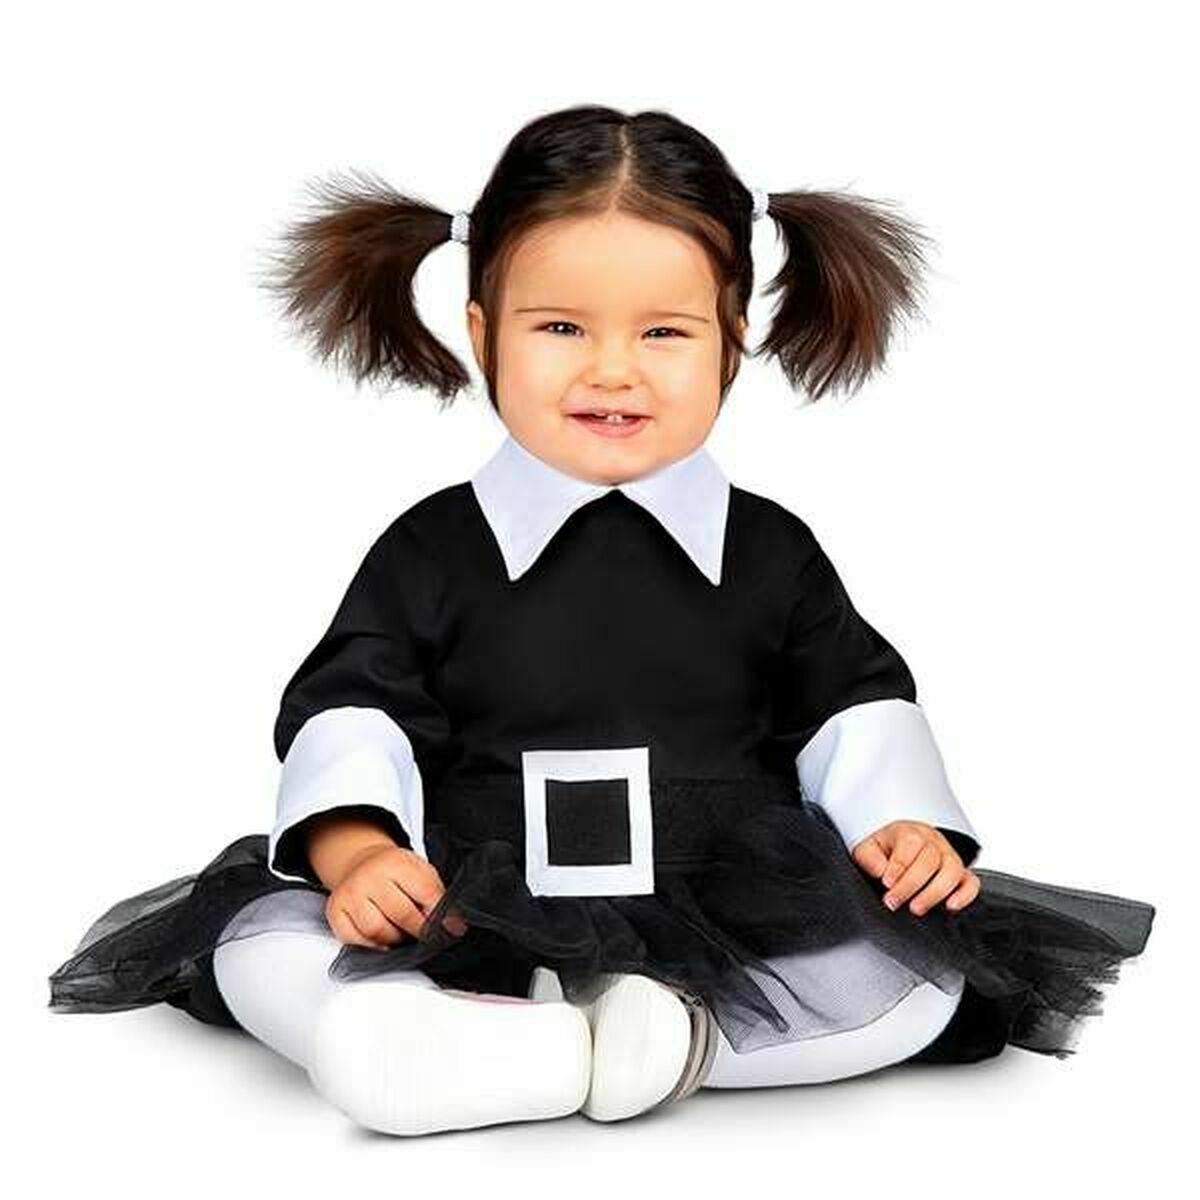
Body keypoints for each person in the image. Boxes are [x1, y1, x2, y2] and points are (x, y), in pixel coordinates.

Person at [47, 103, 1156, 1138]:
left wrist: (901, 827)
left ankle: (658, 1038)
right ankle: (514, 1042)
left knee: (914, 980)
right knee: (261, 949)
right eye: (562, 326)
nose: (612, 371)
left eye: (664, 331)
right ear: (482, 332)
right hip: (470, 893)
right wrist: (358, 850)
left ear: (733, 338)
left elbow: (851, 704)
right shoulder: (432, 547)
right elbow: (353, 707)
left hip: (726, 894)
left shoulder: (771, 550)